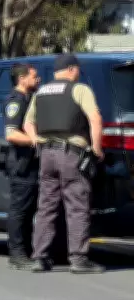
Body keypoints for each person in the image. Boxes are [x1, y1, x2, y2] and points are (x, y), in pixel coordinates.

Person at [23, 54, 105, 274]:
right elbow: (95, 118)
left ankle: (40, 257)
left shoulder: (41, 92)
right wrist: (96, 149)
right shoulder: (79, 90)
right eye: (77, 69)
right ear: (70, 69)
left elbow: (28, 123)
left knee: (46, 208)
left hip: (46, 155)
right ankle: (78, 259)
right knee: (77, 207)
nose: (78, 73)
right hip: (72, 155)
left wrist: (36, 141)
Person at [4, 63, 41, 270]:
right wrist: (36, 141)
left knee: (29, 211)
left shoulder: (30, 99)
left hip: (33, 163)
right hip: (22, 163)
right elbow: (11, 133)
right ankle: (16, 254)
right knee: (19, 210)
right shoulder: (15, 101)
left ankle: (27, 250)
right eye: (34, 76)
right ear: (22, 79)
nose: (38, 79)